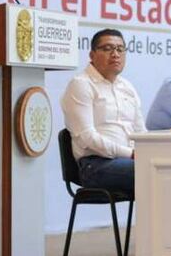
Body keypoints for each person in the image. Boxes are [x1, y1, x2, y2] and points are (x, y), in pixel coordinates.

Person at [60, 29, 146, 192]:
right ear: (92, 55)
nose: (115, 54)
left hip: (130, 160)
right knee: (151, 171)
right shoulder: (81, 84)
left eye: (120, 49)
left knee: (170, 168)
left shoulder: (127, 87)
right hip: (95, 165)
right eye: (107, 49)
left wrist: (148, 152)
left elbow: (141, 131)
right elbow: (88, 138)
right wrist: (131, 154)